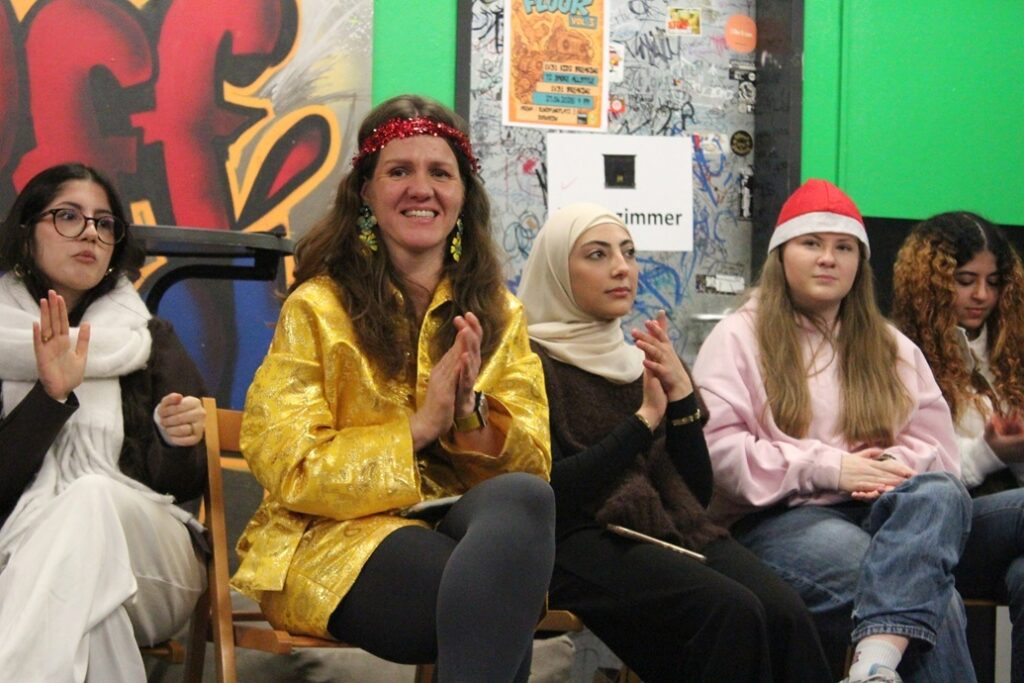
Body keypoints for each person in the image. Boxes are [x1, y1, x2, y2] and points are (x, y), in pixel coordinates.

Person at [231, 94, 555, 682]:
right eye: (399, 171)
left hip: (455, 534)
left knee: (525, 503)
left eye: (440, 173)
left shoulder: (499, 313)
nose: (421, 189)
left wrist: (468, 414)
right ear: (366, 193)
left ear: (463, 196)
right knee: (495, 591)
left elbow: (533, 465)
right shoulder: (318, 306)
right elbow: (290, 467)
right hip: (332, 541)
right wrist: (418, 428)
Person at [516, 202, 832, 682]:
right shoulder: (527, 364)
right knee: (729, 611)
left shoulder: (639, 358)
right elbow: (550, 492)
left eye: (628, 252)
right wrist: (643, 421)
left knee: (784, 611)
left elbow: (694, 495)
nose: (621, 267)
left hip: (663, 525)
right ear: (557, 271)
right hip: (573, 540)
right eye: (598, 255)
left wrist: (682, 400)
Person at [692, 179, 975, 683]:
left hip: (889, 511)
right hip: (778, 519)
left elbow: (939, 449)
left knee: (944, 491)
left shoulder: (889, 344)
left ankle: (873, 666)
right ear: (781, 255)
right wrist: (832, 468)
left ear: (859, 263)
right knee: (937, 600)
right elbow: (719, 455)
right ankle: (874, 666)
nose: (828, 259)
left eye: (844, 247)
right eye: (812, 243)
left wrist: (890, 467)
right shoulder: (737, 337)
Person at [0, 163, 208, 682]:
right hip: (19, 560)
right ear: (26, 233)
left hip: (154, 568)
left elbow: (183, 486)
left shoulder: (146, 338)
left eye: (104, 222)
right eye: (68, 216)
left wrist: (177, 440)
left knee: (90, 495)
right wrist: (50, 397)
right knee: (91, 617)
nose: (91, 233)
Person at [893, 211, 1024, 682]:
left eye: (993, 282)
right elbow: (918, 478)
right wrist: (993, 454)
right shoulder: (897, 353)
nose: (982, 295)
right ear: (930, 283)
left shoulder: (1011, 354)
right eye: (965, 281)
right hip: (939, 534)